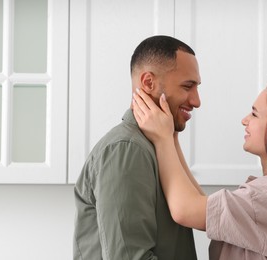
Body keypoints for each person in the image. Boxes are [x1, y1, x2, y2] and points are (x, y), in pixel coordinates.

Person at [132, 76, 267, 260]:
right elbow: (201, 203)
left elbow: (186, 209)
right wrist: (171, 136)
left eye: (254, 114)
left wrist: (162, 140)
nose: (245, 120)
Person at [74, 35, 204, 260]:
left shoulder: (158, 146)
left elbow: (200, 209)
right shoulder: (126, 150)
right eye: (187, 86)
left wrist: (170, 137)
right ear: (148, 83)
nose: (196, 100)